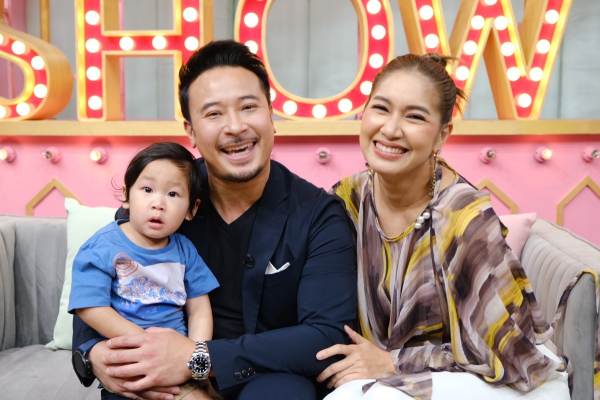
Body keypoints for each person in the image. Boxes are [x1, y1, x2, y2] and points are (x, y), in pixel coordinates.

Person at [71, 40, 357, 400]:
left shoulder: (319, 214)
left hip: (267, 377)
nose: (235, 126)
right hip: (163, 377)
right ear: (190, 131)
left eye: (248, 107)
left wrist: (198, 361)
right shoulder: (162, 197)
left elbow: (326, 335)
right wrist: (92, 355)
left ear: (271, 116)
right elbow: (98, 291)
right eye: (214, 114)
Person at [316, 54, 570, 400]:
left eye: (415, 116)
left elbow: (504, 352)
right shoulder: (349, 198)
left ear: (441, 135)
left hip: (494, 378)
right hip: (392, 376)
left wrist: (393, 361)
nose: (390, 129)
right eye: (381, 109)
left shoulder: (462, 216)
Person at [68, 142, 220, 400]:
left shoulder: (184, 250)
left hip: (176, 365)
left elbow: (199, 308)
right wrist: (146, 345)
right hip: (129, 361)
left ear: (191, 210)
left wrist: (195, 359)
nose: (158, 203)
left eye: (173, 194)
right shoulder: (102, 247)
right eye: (147, 190)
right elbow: (90, 308)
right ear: (126, 195)